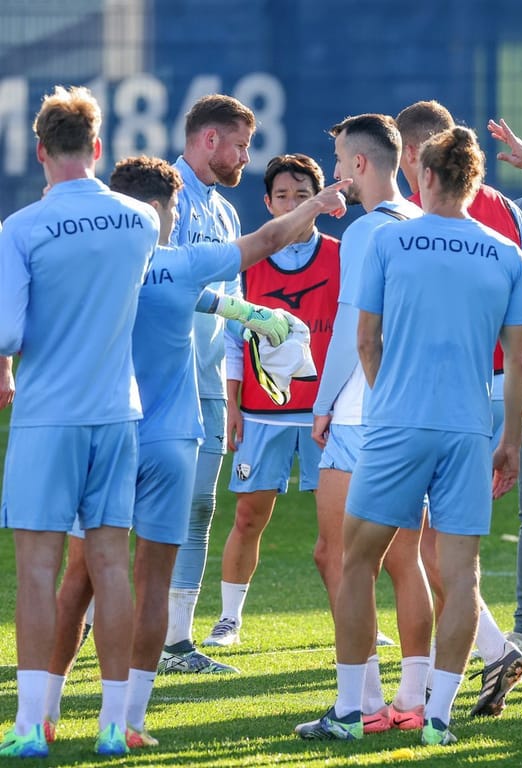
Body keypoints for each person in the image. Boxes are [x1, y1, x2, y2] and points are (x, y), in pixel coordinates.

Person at [44, 155, 347, 750]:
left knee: (77, 578)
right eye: (176, 208)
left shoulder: (90, 268)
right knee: (152, 581)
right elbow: (266, 240)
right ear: (157, 209)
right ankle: (127, 723)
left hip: (104, 434)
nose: (179, 217)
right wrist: (317, 203)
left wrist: (246, 310)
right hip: (172, 440)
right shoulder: (181, 265)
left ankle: (43, 712)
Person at [295, 124, 522, 747]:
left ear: (422, 174)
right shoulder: (504, 253)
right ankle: (440, 718)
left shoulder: (388, 243)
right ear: (476, 182)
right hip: (466, 432)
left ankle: (351, 711)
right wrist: (509, 440)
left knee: (357, 563)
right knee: (461, 575)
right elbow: (519, 360)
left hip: (396, 424)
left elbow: (364, 339)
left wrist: (388, 391)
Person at [0, 85, 160, 758]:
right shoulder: (140, 220)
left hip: (48, 416)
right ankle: (111, 727)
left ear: (40, 150)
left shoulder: (20, 228)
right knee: (112, 567)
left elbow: (8, 333)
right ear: (97, 148)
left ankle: (33, 726)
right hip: (116, 412)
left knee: (37, 570)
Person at [394, 98, 522, 713]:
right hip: (500, 389)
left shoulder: (422, 220)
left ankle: (446, 677)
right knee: (437, 542)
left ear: (415, 157)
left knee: (429, 545)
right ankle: (485, 655)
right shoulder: (504, 211)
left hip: (454, 393)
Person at [303, 113, 432, 734]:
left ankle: (358, 702)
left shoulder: (363, 234)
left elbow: (357, 331)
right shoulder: (427, 224)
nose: (334, 176)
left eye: (337, 162)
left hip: (359, 412)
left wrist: (322, 404)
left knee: (338, 557)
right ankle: (412, 700)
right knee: (407, 560)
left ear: (360, 163)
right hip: (415, 413)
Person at [203, 154, 339, 649]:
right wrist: (234, 404)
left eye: (302, 196)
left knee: (341, 527)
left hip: (327, 415)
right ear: (267, 202)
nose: (291, 204)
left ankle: (353, 619)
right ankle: (229, 619)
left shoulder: (344, 256)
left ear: (320, 202)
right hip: (263, 414)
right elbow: (236, 341)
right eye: (282, 196)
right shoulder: (248, 259)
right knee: (247, 517)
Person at [161, 94, 257, 676]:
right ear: (211, 140)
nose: (247, 156)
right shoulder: (162, 195)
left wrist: (245, 366)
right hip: (162, 381)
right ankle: (98, 618)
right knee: (127, 509)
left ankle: (177, 642)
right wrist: (241, 310)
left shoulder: (225, 211)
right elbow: (162, 283)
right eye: (241, 145)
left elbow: (236, 304)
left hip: (210, 385)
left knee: (199, 509)